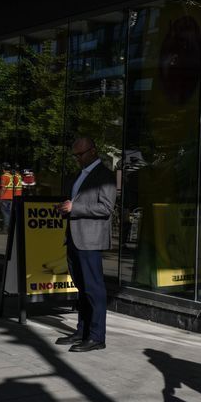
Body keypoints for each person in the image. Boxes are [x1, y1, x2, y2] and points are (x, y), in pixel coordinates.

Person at [55, 138, 118, 352]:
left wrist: (75, 207)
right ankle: (82, 331)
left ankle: (97, 336)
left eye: (80, 154)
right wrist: (65, 207)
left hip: (90, 240)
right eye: (75, 155)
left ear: (93, 151)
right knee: (81, 288)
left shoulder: (105, 176)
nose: (77, 159)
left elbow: (106, 208)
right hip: (74, 237)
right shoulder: (79, 176)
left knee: (94, 289)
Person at [0, 162, 16, 233]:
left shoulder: (4, 176)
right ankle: (8, 229)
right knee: (9, 213)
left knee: (5, 213)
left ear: (3, 168)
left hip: (5, 197)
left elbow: (3, 188)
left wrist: (0, 198)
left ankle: (5, 229)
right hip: (11, 197)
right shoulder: (11, 176)